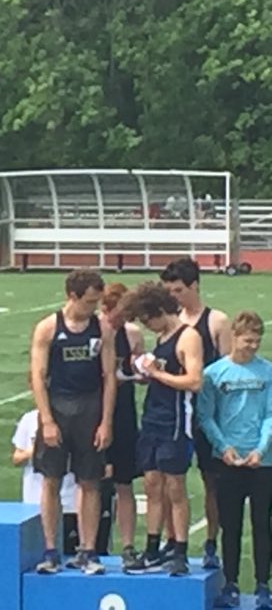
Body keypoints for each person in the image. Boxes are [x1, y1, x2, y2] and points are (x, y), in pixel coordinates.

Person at [30, 269, 116, 575]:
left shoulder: (101, 327)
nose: (94, 307)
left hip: (90, 406)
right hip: (58, 404)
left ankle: (88, 550)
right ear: (72, 296)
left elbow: (109, 377)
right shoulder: (48, 328)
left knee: (90, 481)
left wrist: (106, 421)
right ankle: (51, 549)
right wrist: (47, 420)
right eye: (89, 301)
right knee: (51, 479)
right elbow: (38, 378)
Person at [119, 282, 203, 577]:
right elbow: (164, 375)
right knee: (152, 484)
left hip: (175, 422)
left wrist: (157, 373)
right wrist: (146, 375)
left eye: (146, 319)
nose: (146, 326)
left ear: (158, 312)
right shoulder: (163, 336)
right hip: (153, 418)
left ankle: (179, 549)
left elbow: (194, 381)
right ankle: (153, 547)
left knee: (174, 486)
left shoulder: (187, 336)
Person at [197, 311, 272, 609]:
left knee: (262, 525)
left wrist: (262, 449)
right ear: (234, 338)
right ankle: (230, 583)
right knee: (231, 525)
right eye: (248, 340)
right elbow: (206, 416)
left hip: (262, 462)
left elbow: (270, 414)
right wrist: (223, 446)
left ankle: (263, 584)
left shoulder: (267, 372)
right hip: (228, 461)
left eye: (257, 341)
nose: (252, 346)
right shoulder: (214, 374)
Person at [161, 258, 231, 569]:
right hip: (176, 414)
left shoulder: (216, 321)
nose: (173, 296)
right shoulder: (169, 321)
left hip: (206, 415)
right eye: (169, 290)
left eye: (178, 290)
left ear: (194, 286)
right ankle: (171, 538)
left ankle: (212, 541)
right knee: (168, 479)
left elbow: (229, 372)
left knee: (211, 480)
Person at [99, 283, 145, 567]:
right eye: (119, 313)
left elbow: (139, 367)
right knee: (90, 481)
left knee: (124, 482)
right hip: (98, 411)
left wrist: (141, 371)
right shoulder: (97, 331)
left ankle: (128, 545)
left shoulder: (132, 333)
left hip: (124, 412)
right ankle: (89, 544)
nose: (122, 319)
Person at [12, 398, 78, 554]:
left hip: (70, 501)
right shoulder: (28, 419)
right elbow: (16, 458)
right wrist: (34, 450)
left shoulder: (74, 417)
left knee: (69, 553)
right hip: (33, 501)